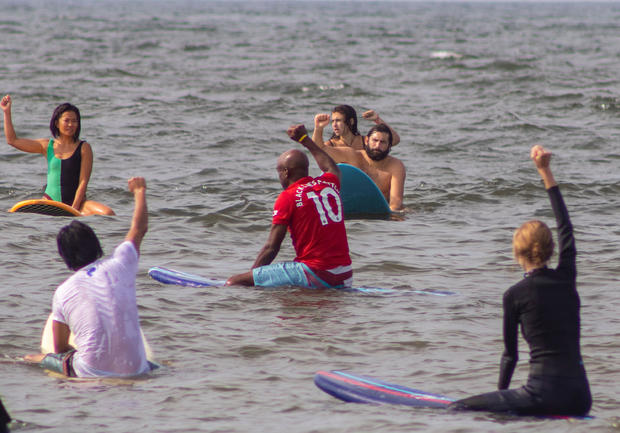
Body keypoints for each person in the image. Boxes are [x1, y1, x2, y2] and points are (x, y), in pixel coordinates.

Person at [449, 145, 591, 416]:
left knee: (459, 408)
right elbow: (566, 227)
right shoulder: (566, 278)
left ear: (517, 252)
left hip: (542, 396)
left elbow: (510, 357)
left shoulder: (514, 294)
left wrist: (500, 402)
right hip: (581, 398)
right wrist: (545, 170)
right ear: (550, 250)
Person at [24, 177, 152, 378]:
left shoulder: (63, 292)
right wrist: (140, 191)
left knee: (34, 358)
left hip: (90, 372)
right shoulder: (121, 263)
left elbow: (59, 349)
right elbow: (139, 228)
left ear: (65, 257)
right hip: (137, 367)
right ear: (96, 244)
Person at [226, 124, 353, 289]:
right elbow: (331, 166)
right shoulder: (328, 184)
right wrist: (304, 139)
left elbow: (272, 247)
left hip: (317, 273)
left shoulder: (288, 197)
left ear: (285, 172)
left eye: (279, 172)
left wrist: (253, 279)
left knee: (234, 282)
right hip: (345, 276)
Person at [1, 94, 114, 216]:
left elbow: (83, 182)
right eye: (66, 120)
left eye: (74, 121)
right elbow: (12, 140)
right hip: (50, 202)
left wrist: (74, 209)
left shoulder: (84, 148)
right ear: (56, 123)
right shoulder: (46, 146)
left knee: (108, 213)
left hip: (79, 203)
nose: (71, 125)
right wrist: (7, 112)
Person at [310, 121, 405, 211]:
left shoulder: (395, 166)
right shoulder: (352, 155)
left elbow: (395, 202)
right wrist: (318, 128)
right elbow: (319, 149)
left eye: (383, 142)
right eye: (375, 140)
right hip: (349, 208)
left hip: (378, 214)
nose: (377, 145)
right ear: (367, 140)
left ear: (389, 146)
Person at [312, 105, 400, 150]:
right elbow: (315, 150)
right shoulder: (331, 145)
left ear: (351, 121)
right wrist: (318, 128)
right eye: (333, 121)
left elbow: (395, 140)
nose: (334, 125)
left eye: (338, 121)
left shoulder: (365, 142)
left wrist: (377, 120)